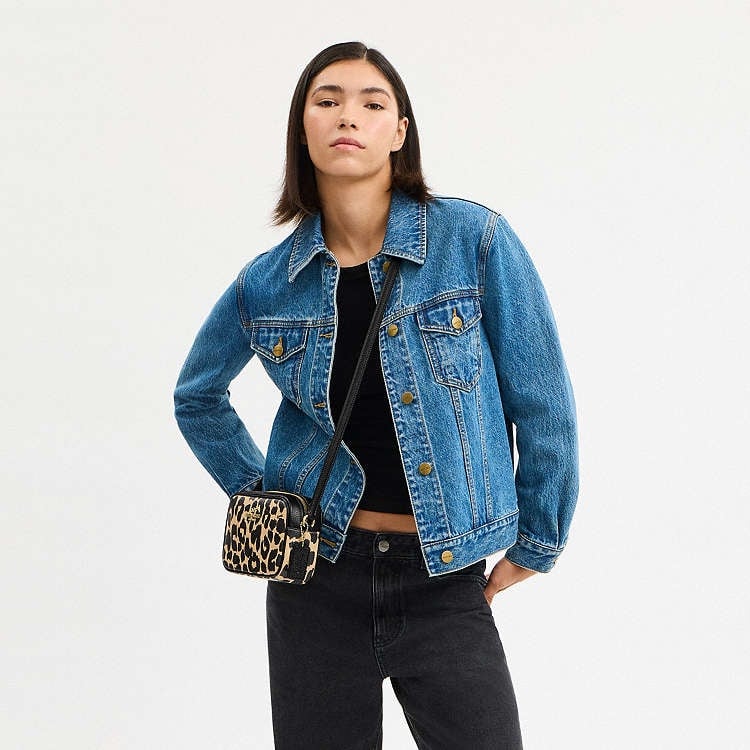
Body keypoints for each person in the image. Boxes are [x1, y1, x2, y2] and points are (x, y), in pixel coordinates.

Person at [174, 40, 579, 750]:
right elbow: (197, 396)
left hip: (444, 574)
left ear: (399, 131)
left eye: (372, 102)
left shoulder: (474, 241)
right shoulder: (268, 282)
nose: (347, 116)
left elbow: (541, 398)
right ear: (302, 130)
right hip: (315, 577)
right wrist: (264, 495)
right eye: (326, 101)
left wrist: (540, 536)